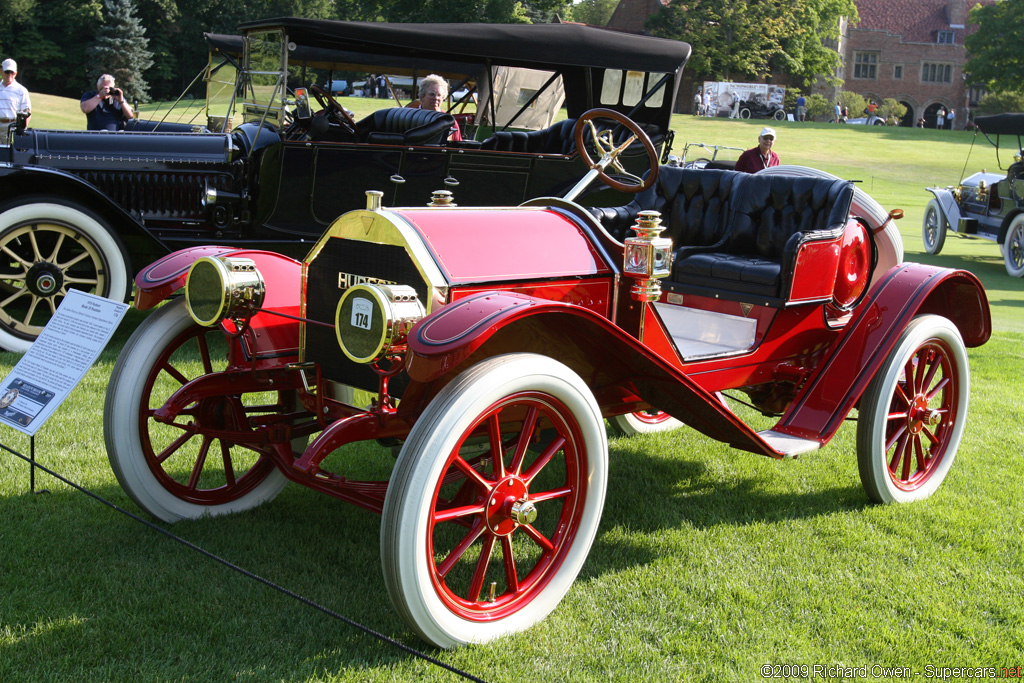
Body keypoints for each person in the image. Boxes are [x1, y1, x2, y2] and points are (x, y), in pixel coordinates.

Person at [406, 74, 462, 142]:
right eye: (432, 94)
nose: (436, 98)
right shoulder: (409, 117)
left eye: (439, 95)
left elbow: (457, 146)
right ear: (422, 97)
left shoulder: (450, 122)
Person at [0, 58, 31, 127]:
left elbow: (27, 113)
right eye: (7, 72)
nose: (10, 75)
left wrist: (22, 128)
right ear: (1, 71)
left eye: (12, 72)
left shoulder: (21, 90)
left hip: (12, 126)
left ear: (16, 73)